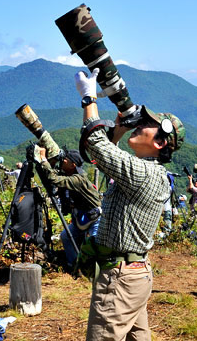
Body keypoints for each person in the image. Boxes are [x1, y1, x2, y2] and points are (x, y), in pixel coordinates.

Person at [75, 68, 185, 341]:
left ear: (160, 142)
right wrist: (120, 129)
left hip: (121, 280)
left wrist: (89, 101)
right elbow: (104, 158)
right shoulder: (147, 171)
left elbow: (97, 145)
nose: (139, 124)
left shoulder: (142, 173)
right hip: (134, 276)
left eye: (146, 124)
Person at [35, 145, 101, 270]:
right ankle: (74, 265)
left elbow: (54, 179)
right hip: (81, 216)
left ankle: (96, 270)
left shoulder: (78, 179)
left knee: (94, 244)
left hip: (95, 217)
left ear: (73, 165)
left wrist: (43, 159)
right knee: (66, 236)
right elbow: (54, 174)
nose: (63, 160)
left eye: (66, 159)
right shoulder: (70, 174)